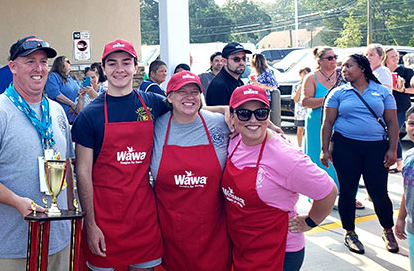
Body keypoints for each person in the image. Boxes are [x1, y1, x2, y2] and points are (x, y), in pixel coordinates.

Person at [0, 36, 74, 270]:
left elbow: (66, 165)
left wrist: (70, 214)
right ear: (12, 67)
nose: (38, 68)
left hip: (58, 242)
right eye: (30, 61)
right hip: (12, 248)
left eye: (43, 61)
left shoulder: (56, 111)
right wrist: (16, 201)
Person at [72, 39, 166, 271]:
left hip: (143, 217)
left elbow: (189, 108)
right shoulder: (89, 115)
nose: (120, 69)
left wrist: (229, 113)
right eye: (112, 63)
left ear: (136, 67)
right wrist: (90, 224)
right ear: (103, 69)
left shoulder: (152, 103)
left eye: (126, 62)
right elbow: (83, 173)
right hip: (104, 219)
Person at [223, 84, 337, 271]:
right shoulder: (234, 140)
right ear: (232, 116)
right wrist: (221, 109)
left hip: (279, 251)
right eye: (244, 113)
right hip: (243, 244)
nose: (253, 120)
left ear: (268, 115)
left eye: (261, 113)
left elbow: (328, 191)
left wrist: (310, 221)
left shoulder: (286, 157)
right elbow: (188, 108)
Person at [150, 71, 231, 271]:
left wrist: (272, 128)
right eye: (181, 92)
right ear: (168, 97)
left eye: (194, 92)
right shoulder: (155, 127)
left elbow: (253, 126)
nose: (189, 96)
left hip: (213, 233)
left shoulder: (219, 123)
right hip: (170, 235)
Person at [321, 54, 400, 255]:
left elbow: (392, 122)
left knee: (378, 192)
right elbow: (327, 123)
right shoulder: (338, 93)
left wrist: (392, 149)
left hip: (376, 148)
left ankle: (387, 230)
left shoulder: (382, 92)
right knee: (347, 191)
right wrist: (324, 149)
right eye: (343, 66)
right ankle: (350, 233)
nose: (343, 69)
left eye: (349, 66)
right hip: (345, 146)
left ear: (362, 68)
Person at [300, 46, 341, 202]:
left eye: (335, 57)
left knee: (340, 157)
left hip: (339, 122)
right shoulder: (311, 77)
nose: (334, 61)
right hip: (317, 123)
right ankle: (320, 194)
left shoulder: (341, 76)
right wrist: (328, 99)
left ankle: (342, 193)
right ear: (320, 61)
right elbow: (305, 101)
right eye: (330, 58)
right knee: (318, 158)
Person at [385, 47, 414, 173]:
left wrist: (401, 89)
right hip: (385, 107)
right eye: (393, 56)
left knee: (394, 133)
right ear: (385, 58)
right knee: (387, 134)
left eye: (397, 56)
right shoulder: (382, 72)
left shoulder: (406, 71)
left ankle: (399, 163)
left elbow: (413, 89)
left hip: (401, 107)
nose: (396, 58)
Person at [394, 105, 414, 271]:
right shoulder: (408, 156)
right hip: (412, 226)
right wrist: (401, 218)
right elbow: (407, 190)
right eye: (411, 123)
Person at [46, 55, 82, 123]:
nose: (70, 64)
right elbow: (56, 94)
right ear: (60, 64)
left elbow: (81, 92)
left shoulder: (73, 77)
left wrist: (76, 106)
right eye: (67, 62)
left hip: (75, 117)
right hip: (61, 117)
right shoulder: (53, 76)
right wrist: (72, 104)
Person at [292, 67, 311, 148]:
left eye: (307, 73)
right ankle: (299, 147)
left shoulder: (311, 84)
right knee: (300, 129)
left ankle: (308, 147)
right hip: (300, 111)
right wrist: (299, 90)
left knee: (309, 130)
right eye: (304, 73)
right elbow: (295, 100)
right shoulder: (296, 85)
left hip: (309, 110)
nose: (306, 75)